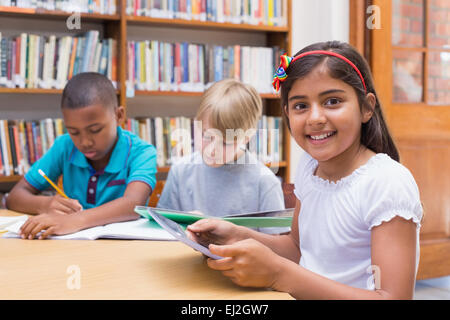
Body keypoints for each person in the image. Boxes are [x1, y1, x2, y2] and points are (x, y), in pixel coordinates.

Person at [186, 41, 423, 299]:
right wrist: (235, 234)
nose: (315, 118)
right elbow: (297, 248)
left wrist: (279, 274)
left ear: (366, 107)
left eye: (332, 101)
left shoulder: (387, 182)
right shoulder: (310, 168)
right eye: (301, 106)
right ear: (287, 113)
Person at [6, 72, 157, 239]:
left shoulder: (142, 152)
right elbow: (15, 197)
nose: (85, 142)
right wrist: (46, 204)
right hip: (72, 246)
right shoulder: (64, 146)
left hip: (124, 248)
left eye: (95, 130)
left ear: (119, 116)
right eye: (74, 132)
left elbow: (134, 204)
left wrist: (75, 220)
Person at [157, 79, 286, 233]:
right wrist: (183, 224)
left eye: (225, 142)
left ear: (246, 138)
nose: (212, 150)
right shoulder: (180, 171)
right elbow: (160, 228)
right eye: (206, 136)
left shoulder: (264, 183)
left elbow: (276, 247)